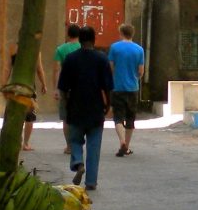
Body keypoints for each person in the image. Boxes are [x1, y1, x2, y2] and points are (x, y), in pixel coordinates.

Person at [57, 25, 112, 191]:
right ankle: (91, 182)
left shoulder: (71, 59)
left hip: (76, 106)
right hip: (95, 107)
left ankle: (78, 162)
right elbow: (108, 86)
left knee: (75, 140)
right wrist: (108, 105)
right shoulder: (102, 59)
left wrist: (66, 105)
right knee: (94, 146)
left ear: (80, 40)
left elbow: (63, 87)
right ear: (94, 40)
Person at [107, 23, 145, 157]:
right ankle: (127, 146)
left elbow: (110, 67)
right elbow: (141, 71)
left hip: (117, 87)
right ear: (132, 34)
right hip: (133, 88)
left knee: (118, 117)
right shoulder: (139, 49)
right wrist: (134, 77)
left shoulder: (114, 48)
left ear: (121, 33)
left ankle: (122, 141)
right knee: (130, 118)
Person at [7, 42, 47, 151]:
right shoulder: (35, 49)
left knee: (15, 114)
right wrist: (44, 84)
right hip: (29, 86)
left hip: (15, 85)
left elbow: (8, 68)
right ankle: (25, 143)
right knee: (29, 115)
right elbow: (39, 69)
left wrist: (5, 84)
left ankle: (16, 141)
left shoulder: (13, 48)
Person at [53, 23, 82, 153]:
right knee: (79, 115)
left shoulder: (60, 49)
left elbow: (57, 70)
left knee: (66, 117)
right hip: (81, 87)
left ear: (68, 34)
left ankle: (69, 146)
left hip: (66, 87)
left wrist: (56, 88)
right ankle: (78, 143)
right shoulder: (83, 48)